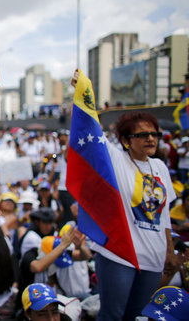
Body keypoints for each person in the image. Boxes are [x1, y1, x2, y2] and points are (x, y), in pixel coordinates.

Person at [73, 69, 179, 321]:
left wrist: (170, 251)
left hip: (153, 259)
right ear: (125, 140)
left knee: (138, 316)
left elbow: (164, 216)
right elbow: (92, 130)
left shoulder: (160, 167)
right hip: (119, 255)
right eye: (142, 135)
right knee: (112, 315)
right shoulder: (117, 160)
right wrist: (83, 93)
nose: (151, 139)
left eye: (154, 134)